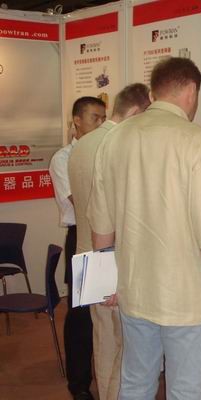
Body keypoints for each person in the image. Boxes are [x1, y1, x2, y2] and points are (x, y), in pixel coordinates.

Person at [86, 57, 201, 400]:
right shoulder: (195, 140)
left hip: (135, 289)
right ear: (191, 91)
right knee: (185, 389)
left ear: (155, 91)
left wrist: (106, 279)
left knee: (136, 382)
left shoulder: (115, 139)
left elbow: (102, 222)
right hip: (185, 297)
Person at [68, 83, 150, 400]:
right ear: (137, 111)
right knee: (125, 344)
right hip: (113, 260)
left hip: (87, 257)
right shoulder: (120, 145)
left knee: (103, 341)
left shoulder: (82, 145)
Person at [49, 96, 106, 400]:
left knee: (109, 309)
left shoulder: (105, 151)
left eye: (104, 118)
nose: (101, 124)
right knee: (82, 313)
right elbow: (80, 200)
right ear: (77, 121)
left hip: (109, 234)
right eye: (95, 118)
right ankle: (79, 383)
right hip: (82, 236)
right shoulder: (64, 158)